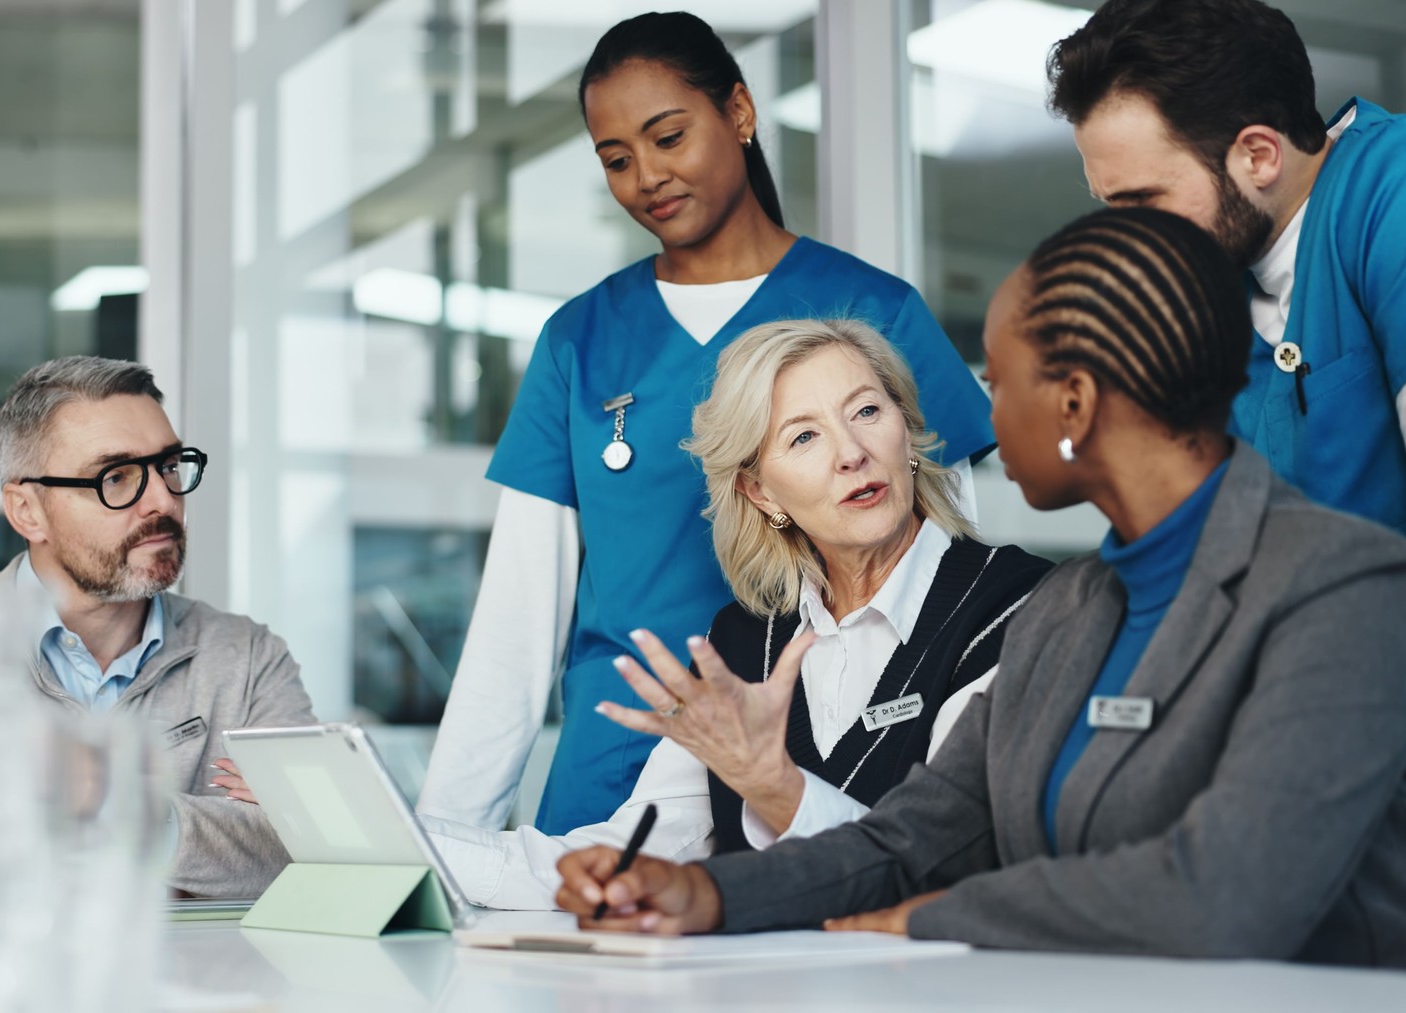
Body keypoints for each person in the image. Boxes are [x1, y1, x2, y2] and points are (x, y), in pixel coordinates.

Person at [553, 208, 1406, 969]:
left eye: (1000, 373)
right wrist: (699, 890)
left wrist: (940, 915)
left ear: (1074, 403)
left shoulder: (1346, 584)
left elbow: (1229, 892)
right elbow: (913, 841)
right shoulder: (1067, 608)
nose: (979, 406)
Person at [418, 11, 994, 837]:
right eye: (616, 159)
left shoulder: (875, 311)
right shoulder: (579, 340)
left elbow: (950, 584)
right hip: (616, 764)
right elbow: (514, 624)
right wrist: (440, 840)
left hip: (815, 759)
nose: (646, 175)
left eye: (668, 136)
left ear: (741, 113)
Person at [1047, 0, 1406, 857]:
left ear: (1258, 154)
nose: (1126, 235)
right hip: (1342, 795)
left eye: (1143, 199)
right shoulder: (1208, 295)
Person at [418, 321, 1048, 908]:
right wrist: (408, 850)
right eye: (803, 436)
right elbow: (645, 845)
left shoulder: (1019, 609)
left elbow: (941, 873)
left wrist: (772, 783)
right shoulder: (744, 642)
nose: (851, 452)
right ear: (760, 491)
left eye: (867, 411)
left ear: (906, 432)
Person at [0, 356, 316, 898]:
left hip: (202, 980)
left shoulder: (248, 657)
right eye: (116, 477)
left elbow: (302, 849)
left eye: (169, 466)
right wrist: (202, 835)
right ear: (27, 512)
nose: (163, 500)